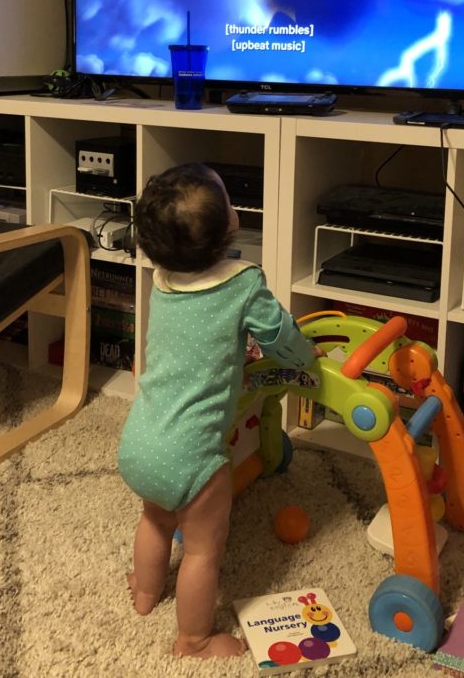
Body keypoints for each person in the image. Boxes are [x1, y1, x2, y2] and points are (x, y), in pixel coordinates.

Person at [118, 162, 318, 658]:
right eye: (228, 201)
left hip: (140, 441)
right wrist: (305, 358)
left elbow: (198, 343)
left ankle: (145, 594)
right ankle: (194, 639)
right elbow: (279, 337)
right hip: (194, 458)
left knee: (155, 520)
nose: (233, 207)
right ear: (228, 225)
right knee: (204, 548)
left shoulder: (163, 278)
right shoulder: (244, 283)